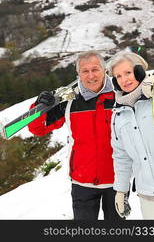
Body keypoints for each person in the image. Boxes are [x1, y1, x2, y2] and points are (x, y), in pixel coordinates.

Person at [28, 50, 130, 220]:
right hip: (82, 182)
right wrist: (38, 106)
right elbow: (38, 129)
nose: (91, 76)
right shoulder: (69, 102)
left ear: (104, 70)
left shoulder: (121, 96)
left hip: (117, 180)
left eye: (95, 69)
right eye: (85, 71)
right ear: (78, 75)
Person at [107, 50, 154, 220]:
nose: (124, 79)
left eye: (128, 72)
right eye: (118, 76)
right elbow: (121, 157)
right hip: (148, 197)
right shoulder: (118, 115)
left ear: (140, 71)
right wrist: (121, 190)